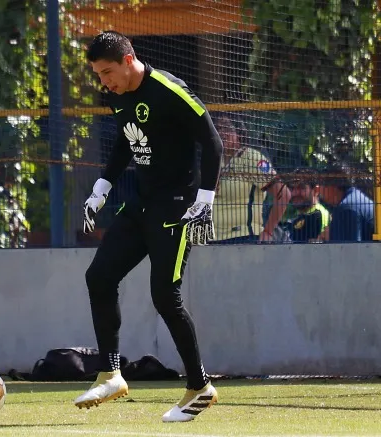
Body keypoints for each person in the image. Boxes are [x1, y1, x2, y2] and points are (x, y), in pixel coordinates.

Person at [77, 31, 222, 422]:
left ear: (128, 61)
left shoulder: (169, 90)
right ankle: (110, 374)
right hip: (141, 203)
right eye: (98, 75)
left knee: (165, 297)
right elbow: (127, 141)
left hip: (176, 207)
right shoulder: (117, 94)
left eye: (107, 72)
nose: (104, 82)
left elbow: (212, 143)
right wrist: (102, 188)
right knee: (99, 277)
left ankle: (200, 387)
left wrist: (205, 200)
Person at [211, 115, 291, 243]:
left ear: (239, 133)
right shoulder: (214, 162)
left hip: (243, 239)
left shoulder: (251, 158)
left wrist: (268, 232)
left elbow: (284, 194)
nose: (222, 133)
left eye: (227, 128)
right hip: (212, 240)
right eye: (218, 129)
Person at [316, 161, 375, 242]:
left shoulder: (346, 208)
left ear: (332, 186)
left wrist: (330, 238)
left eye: (321, 184)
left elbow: (349, 247)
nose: (318, 190)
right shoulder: (355, 197)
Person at [282, 168, 330, 243]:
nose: (295, 193)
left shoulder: (318, 215)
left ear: (315, 190)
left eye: (301, 188)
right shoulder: (298, 214)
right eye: (292, 188)